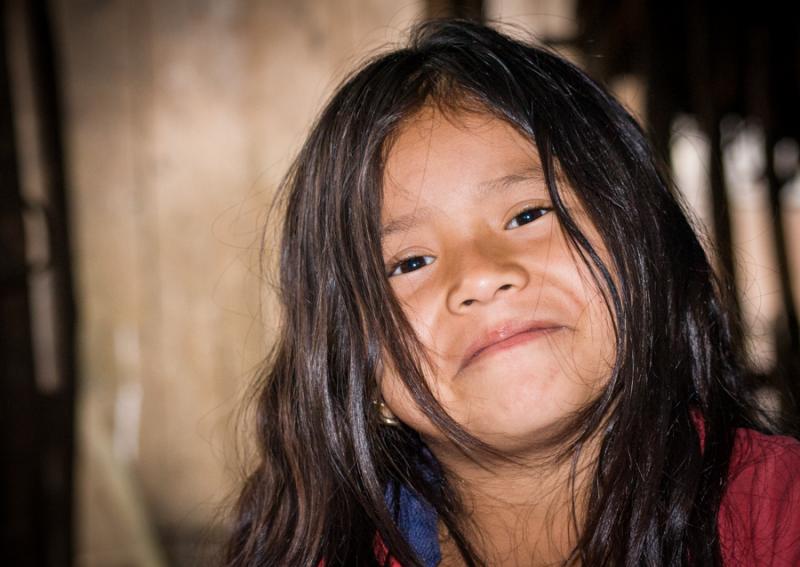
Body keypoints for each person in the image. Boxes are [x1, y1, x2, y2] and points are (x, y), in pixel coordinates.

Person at [224, 19, 800, 567]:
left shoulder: (782, 515)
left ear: (644, 245)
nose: (478, 275)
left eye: (528, 215)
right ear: (354, 360)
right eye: (410, 262)